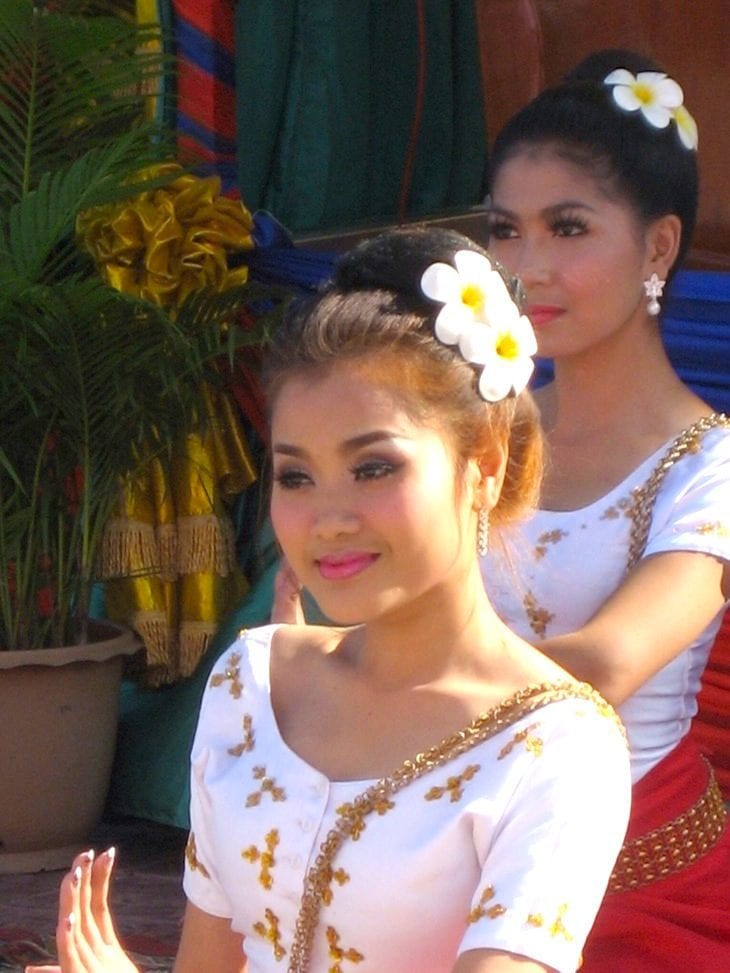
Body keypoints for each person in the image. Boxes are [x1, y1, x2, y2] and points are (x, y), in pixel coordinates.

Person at [28, 226, 631, 973]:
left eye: (373, 467)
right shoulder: (252, 687)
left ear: (484, 462)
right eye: (295, 476)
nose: (328, 518)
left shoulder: (555, 748)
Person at [479, 49, 730, 970]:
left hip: (639, 888)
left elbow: (605, 663)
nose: (526, 267)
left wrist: (370, 677)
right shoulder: (470, 431)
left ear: (659, 246)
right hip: (447, 843)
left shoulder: (712, 467)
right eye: (506, 231)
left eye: (568, 228)